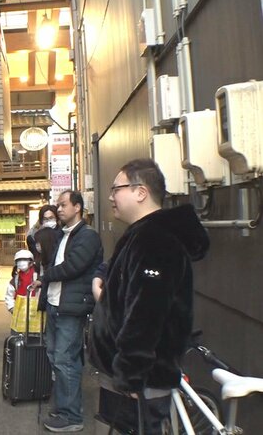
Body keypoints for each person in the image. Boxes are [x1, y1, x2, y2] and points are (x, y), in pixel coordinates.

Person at [88, 158, 209, 434]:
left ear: (141, 192)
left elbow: (146, 313)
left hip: (138, 383)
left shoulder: (155, 240)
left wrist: (131, 374)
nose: (111, 197)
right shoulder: (143, 235)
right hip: (126, 377)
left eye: (116, 189)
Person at [32, 190, 103, 433]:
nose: (59, 209)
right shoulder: (64, 234)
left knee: (66, 360)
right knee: (56, 357)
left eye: (63, 205)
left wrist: (45, 277)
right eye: (58, 205)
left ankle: (71, 416)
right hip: (57, 304)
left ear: (78, 207)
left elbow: (73, 267)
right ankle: (64, 408)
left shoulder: (87, 236)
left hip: (71, 308)